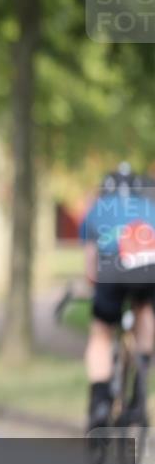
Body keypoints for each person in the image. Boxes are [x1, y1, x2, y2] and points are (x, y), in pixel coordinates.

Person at [80, 162, 155, 433]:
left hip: (112, 267)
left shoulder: (98, 209)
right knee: (145, 310)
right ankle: (140, 385)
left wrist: (91, 283)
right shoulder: (149, 206)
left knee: (101, 333)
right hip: (147, 266)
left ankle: (100, 403)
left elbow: (91, 262)